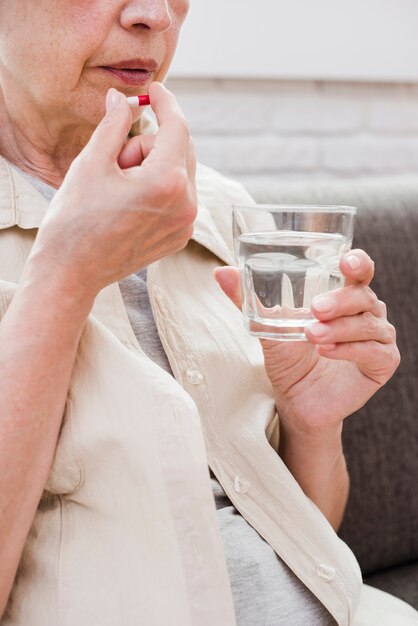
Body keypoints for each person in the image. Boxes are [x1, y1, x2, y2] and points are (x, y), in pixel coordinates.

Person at [0, 2, 416, 625]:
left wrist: (311, 423)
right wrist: (65, 276)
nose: (154, 16)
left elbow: (306, 538)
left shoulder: (223, 212)